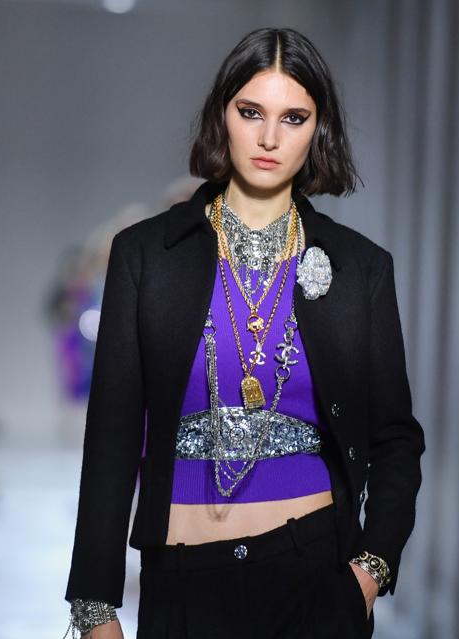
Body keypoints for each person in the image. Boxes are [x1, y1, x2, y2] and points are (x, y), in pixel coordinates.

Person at [63, 27, 425, 639]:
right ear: (221, 116)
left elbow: (395, 437)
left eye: (294, 118)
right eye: (251, 111)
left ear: (319, 130)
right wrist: (95, 605)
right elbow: (112, 437)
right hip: (183, 577)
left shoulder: (361, 269)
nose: (269, 138)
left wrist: (369, 572)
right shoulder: (146, 256)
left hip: (315, 577)